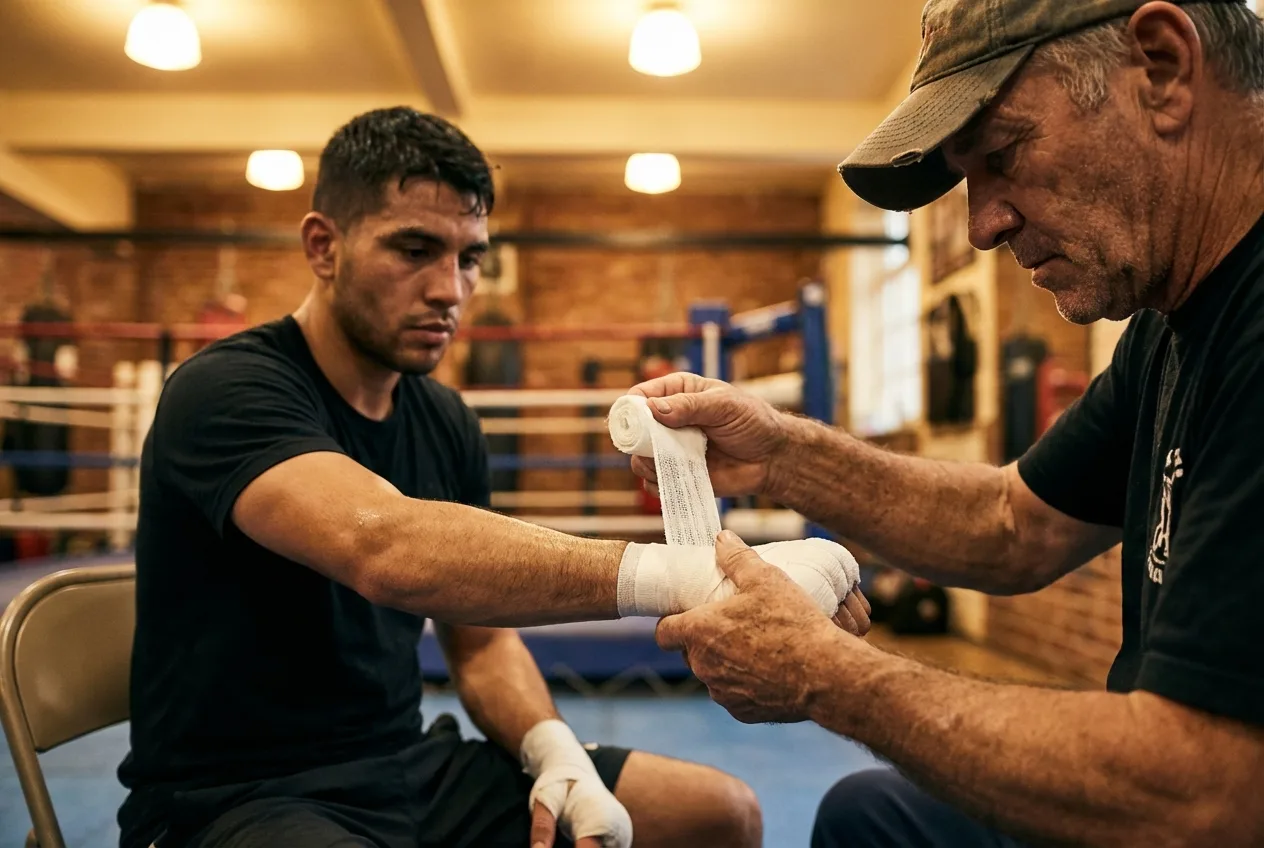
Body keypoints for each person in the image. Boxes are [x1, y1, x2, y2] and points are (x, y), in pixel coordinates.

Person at [116, 106, 867, 848]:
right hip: (232, 800)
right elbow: (385, 547)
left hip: (407, 770)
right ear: (324, 246)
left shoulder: (443, 420)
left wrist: (554, 752)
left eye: (469, 257)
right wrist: (693, 578)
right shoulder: (227, 390)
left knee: (718, 814)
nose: (449, 289)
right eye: (414, 249)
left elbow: (477, 645)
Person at [630, 1, 1264, 845]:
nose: (981, 225)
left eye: (1003, 152)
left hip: (1196, 806)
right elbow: (1012, 525)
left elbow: (1208, 793)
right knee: (872, 815)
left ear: (1162, 67)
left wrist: (825, 675)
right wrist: (780, 453)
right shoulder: (1170, 330)